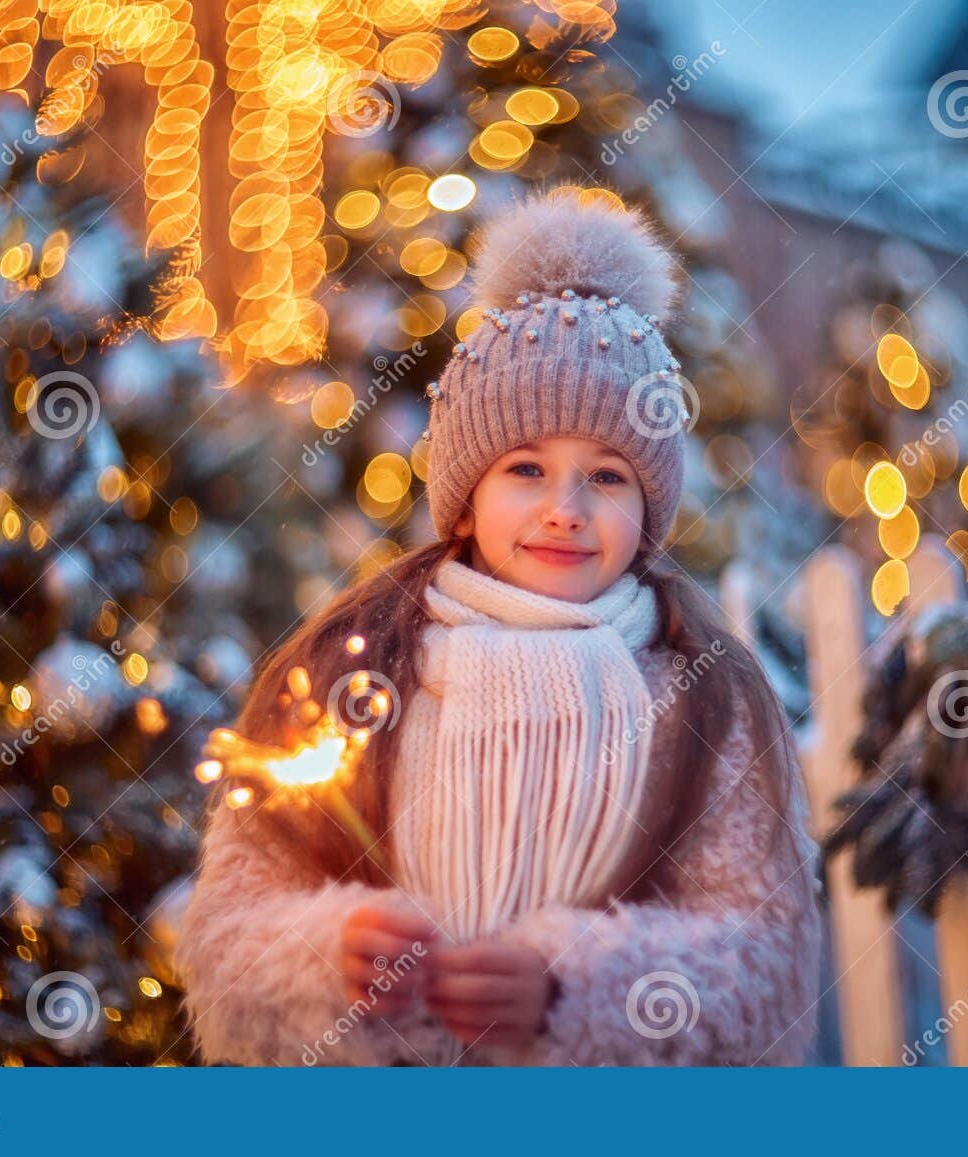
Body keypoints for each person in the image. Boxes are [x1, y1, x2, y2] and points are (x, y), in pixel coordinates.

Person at [176, 187, 823, 1065]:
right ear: (467, 496)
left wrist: (578, 989)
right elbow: (230, 921)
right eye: (526, 467)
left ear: (650, 506)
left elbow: (764, 951)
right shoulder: (353, 671)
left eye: (607, 477)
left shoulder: (700, 696)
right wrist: (328, 952)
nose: (564, 510)